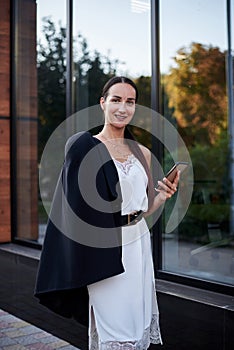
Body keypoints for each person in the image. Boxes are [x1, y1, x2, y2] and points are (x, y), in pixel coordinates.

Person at [35, 76, 179, 350]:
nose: (123, 108)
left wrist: (163, 195)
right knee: (115, 330)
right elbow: (74, 207)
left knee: (136, 325)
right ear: (102, 103)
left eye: (130, 101)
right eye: (116, 100)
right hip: (103, 247)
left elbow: (143, 208)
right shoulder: (85, 147)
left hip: (139, 244)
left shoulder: (143, 153)